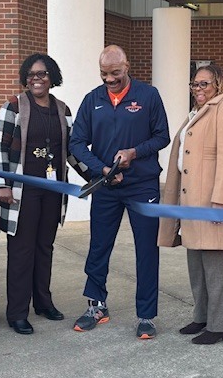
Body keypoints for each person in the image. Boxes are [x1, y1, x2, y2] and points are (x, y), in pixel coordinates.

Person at [69, 45, 170, 339]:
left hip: (142, 185)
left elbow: (162, 136)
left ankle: (147, 316)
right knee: (99, 246)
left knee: (146, 250)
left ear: (127, 67)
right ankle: (96, 305)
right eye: (104, 74)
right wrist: (101, 169)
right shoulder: (93, 100)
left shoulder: (148, 96)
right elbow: (76, 143)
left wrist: (134, 152)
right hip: (106, 185)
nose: (109, 80)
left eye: (115, 73)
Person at [157, 65, 223, 345]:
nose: (198, 89)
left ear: (218, 84)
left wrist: (219, 201)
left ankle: (221, 325)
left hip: (210, 200)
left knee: (214, 262)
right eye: (194, 85)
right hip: (190, 198)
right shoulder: (196, 112)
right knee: (195, 259)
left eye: (204, 84)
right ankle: (202, 316)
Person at [0, 53, 72, 335]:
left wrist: (96, 177)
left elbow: (71, 150)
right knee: (22, 249)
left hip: (52, 190)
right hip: (22, 191)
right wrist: (2, 183)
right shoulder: (13, 106)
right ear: (25, 78)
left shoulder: (63, 109)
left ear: (52, 78)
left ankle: (43, 303)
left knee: (44, 247)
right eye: (32, 75)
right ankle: (17, 312)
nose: (37, 79)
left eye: (43, 74)